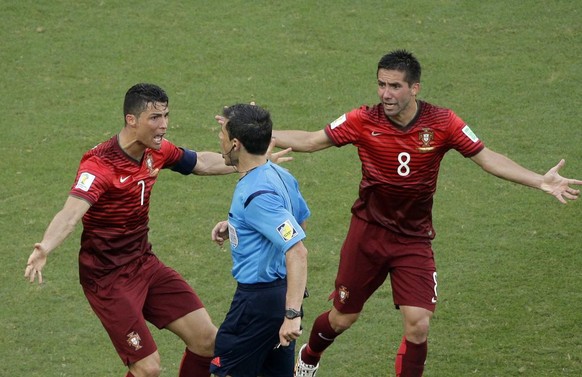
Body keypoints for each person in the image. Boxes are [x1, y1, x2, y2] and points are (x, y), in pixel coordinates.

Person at [271, 50, 582, 377]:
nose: (385, 94)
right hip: (367, 234)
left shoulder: (443, 123)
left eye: (394, 86)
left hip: (413, 239)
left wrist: (539, 181)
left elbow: (487, 157)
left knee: (418, 325)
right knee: (342, 318)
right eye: (381, 85)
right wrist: (262, 136)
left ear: (414, 88)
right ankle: (310, 353)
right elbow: (311, 140)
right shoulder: (363, 120)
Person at [23, 83, 290, 377]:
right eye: (155, 118)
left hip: (144, 265)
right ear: (131, 120)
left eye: (165, 115)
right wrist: (45, 246)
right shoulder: (100, 165)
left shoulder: (157, 151)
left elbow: (201, 162)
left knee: (207, 341)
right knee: (147, 368)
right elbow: (71, 213)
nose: (163, 125)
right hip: (108, 278)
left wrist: (251, 162)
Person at [209, 103, 310, 377]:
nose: (219, 138)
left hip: (258, 304)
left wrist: (292, 314)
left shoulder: (256, 194)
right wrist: (240, 227)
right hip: (280, 294)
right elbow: (297, 219)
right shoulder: (280, 175)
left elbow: (297, 250)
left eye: (222, 133)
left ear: (235, 144)